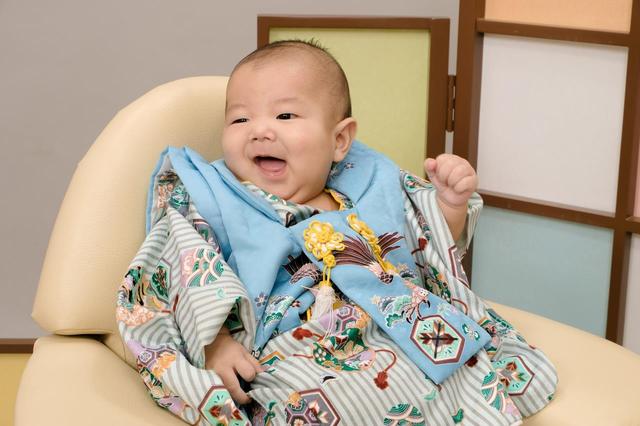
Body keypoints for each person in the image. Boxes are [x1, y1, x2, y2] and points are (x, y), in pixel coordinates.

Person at [117, 40, 557, 426]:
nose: (260, 130)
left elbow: (429, 243)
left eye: (285, 114)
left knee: (456, 368)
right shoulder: (215, 196)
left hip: (398, 324)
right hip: (292, 343)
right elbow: (185, 272)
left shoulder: (368, 185)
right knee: (323, 398)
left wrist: (450, 204)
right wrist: (216, 345)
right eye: (239, 120)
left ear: (340, 140)